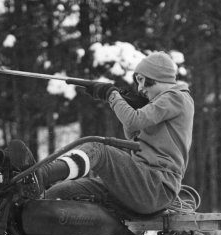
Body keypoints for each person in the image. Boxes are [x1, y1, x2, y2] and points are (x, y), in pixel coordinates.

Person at [10, 51, 194, 215]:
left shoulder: (177, 97)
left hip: (156, 186)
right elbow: (131, 132)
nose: (140, 88)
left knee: (97, 150)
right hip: (141, 184)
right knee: (61, 191)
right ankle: (22, 205)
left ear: (156, 77)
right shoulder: (162, 103)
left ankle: (41, 175)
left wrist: (112, 95)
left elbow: (133, 120)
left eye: (141, 80)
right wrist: (128, 101)